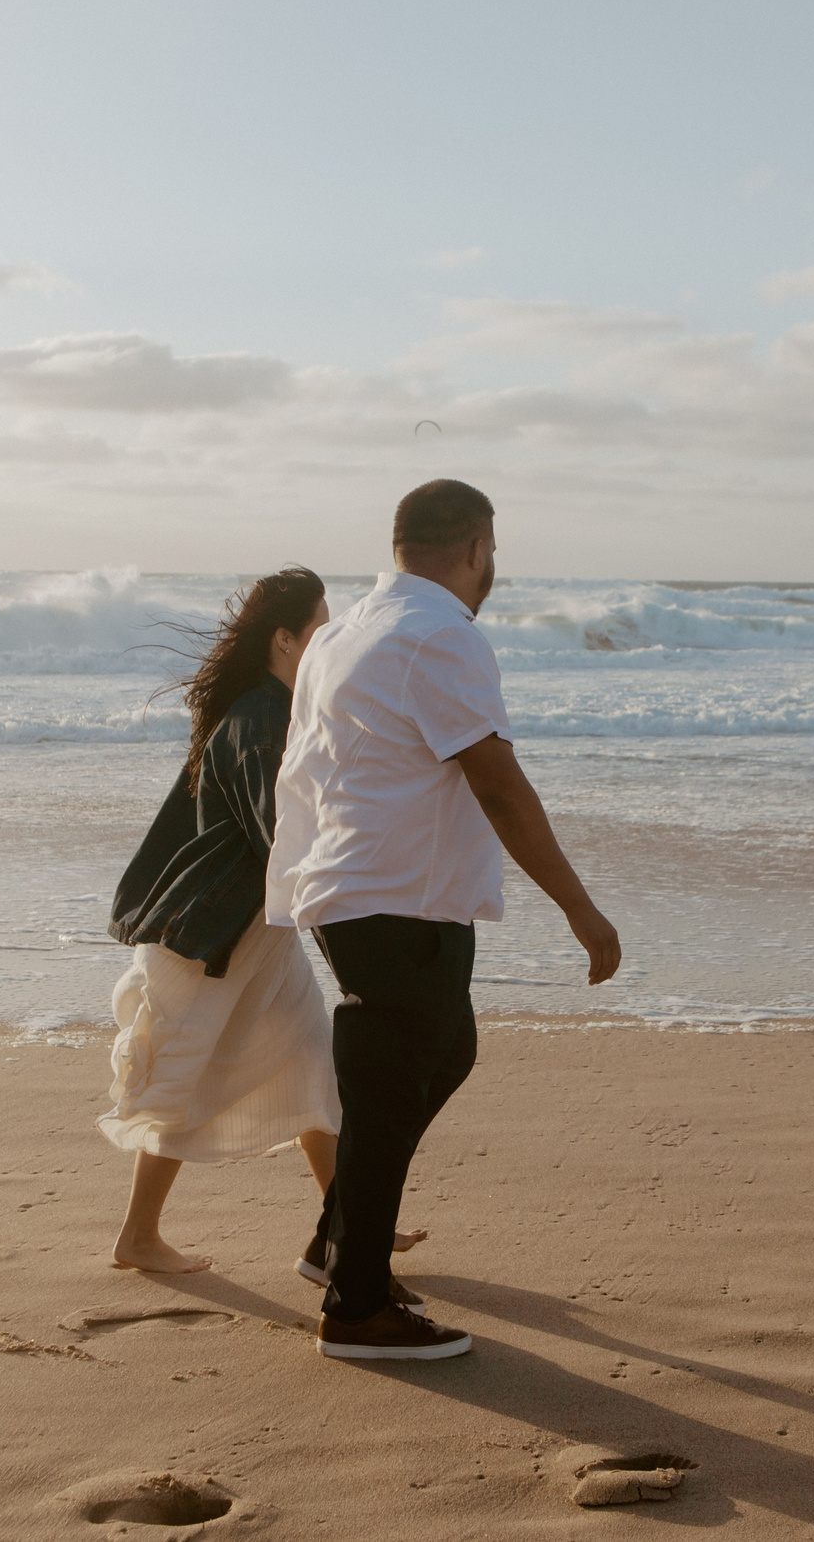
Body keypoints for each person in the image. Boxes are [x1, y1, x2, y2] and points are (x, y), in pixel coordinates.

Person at [268, 479, 622, 1360]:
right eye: (491, 553)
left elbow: (306, 768)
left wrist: (301, 882)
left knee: (443, 1051)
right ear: (474, 548)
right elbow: (497, 782)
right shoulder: (441, 636)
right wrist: (582, 909)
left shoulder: (342, 632)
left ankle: (335, 1242)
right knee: (392, 1087)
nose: (492, 569)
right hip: (396, 894)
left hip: (349, 887)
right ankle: (356, 1309)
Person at [101, 567, 428, 1278]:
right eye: (320, 626)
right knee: (178, 1075)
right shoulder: (259, 717)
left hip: (257, 932)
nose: (331, 637)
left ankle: (351, 1222)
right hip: (207, 936)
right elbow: (283, 836)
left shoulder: (281, 710)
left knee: (314, 1065)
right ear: (284, 639)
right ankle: (138, 1236)